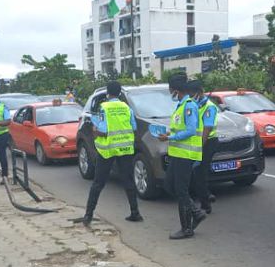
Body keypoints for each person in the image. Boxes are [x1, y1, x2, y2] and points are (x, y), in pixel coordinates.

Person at [82, 81, 143, 227]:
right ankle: (135, 213)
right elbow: (134, 128)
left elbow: (103, 131)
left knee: (98, 183)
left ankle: (88, 215)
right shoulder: (127, 108)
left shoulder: (104, 107)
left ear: (108, 94)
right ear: (120, 93)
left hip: (108, 150)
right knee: (128, 181)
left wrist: (95, 131)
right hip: (125, 148)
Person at [158, 74, 206, 239]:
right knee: (169, 186)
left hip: (186, 154)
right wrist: (169, 133)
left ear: (175, 90)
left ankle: (186, 228)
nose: (170, 92)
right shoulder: (181, 105)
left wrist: (170, 138)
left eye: (170, 90)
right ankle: (195, 212)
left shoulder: (189, 106)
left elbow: (191, 130)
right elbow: (182, 128)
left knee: (180, 189)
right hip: (177, 154)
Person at [188, 80, 218, 214]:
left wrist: (199, 146)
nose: (190, 96)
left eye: (192, 94)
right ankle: (206, 194)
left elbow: (207, 128)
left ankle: (205, 205)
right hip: (197, 142)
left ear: (199, 92)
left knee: (200, 173)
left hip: (207, 142)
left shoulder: (209, 107)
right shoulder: (196, 105)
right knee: (197, 172)